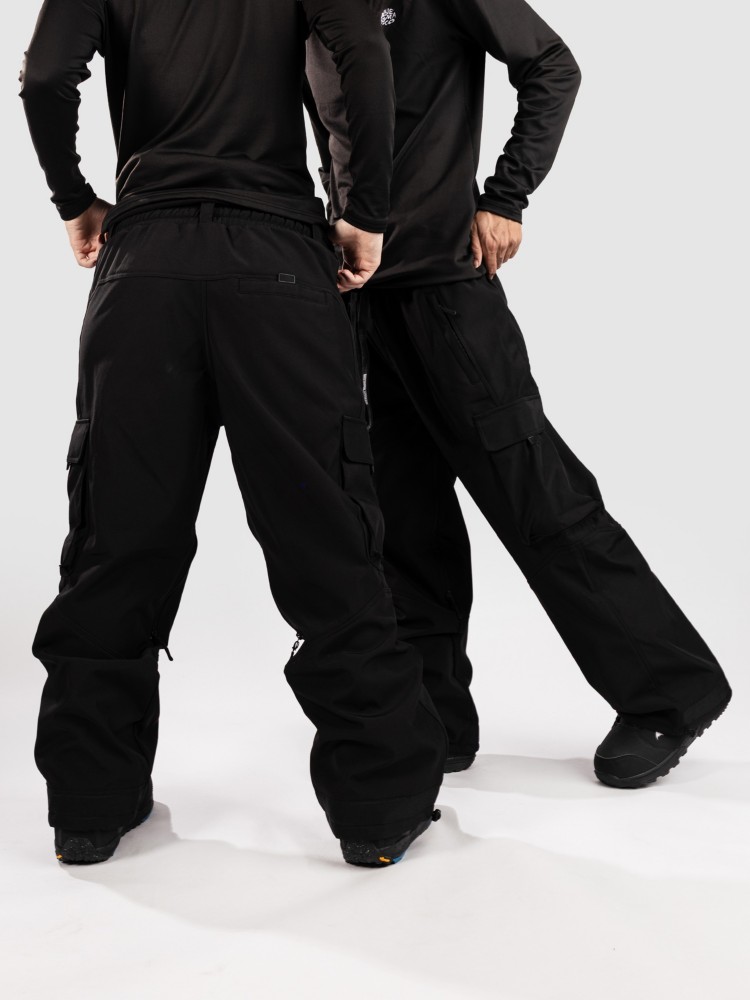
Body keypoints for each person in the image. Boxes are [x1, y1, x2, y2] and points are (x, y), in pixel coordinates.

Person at [19, 0, 446, 869]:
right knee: (327, 532)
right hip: (278, 259)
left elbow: (47, 75)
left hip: (145, 265)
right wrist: (366, 211)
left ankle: (91, 805)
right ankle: (378, 809)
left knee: (115, 537)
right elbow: (362, 52)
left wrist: (74, 199)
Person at [305, 0, 732, 786]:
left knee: (535, 493)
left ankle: (672, 693)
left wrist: (506, 196)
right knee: (401, 513)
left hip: (447, 292)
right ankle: (435, 715)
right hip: (363, 301)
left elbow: (553, 65)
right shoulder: (312, 14)